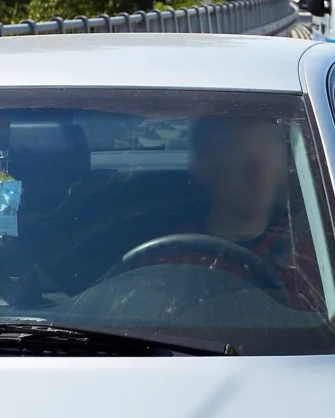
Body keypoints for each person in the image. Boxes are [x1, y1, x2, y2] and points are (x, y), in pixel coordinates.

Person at [139, 115, 325, 312]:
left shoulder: (314, 260)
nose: (259, 173)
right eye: (243, 159)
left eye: (267, 155)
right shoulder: (170, 256)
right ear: (205, 167)